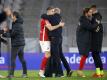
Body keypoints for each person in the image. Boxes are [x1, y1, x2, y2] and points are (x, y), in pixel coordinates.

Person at [43, 7, 73, 77]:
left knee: (56, 56)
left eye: (53, 11)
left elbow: (43, 16)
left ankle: (59, 73)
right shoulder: (60, 18)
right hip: (59, 38)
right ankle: (68, 70)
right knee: (60, 55)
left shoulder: (53, 17)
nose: (52, 12)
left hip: (54, 39)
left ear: (54, 12)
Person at [39, 7, 64, 77]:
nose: (53, 13)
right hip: (44, 39)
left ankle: (46, 72)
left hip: (47, 39)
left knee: (49, 55)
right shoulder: (45, 20)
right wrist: (59, 25)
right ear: (49, 11)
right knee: (47, 55)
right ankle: (41, 71)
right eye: (52, 11)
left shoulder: (48, 19)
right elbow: (50, 28)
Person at [76, 8, 100, 77]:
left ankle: (79, 71)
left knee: (85, 55)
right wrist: (97, 23)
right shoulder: (83, 19)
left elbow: (91, 28)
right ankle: (79, 71)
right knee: (84, 55)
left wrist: (96, 27)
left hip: (86, 40)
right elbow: (90, 27)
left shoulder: (86, 19)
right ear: (86, 13)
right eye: (90, 12)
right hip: (83, 40)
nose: (91, 13)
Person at [3, 12, 27, 78]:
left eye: (12, 16)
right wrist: (8, 30)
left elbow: (13, 34)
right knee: (22, 59)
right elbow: (13, 31)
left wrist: (3, 34)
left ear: (15, 16)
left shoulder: (17, 25)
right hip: (21, 44)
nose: (11, 17)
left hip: (16, 44)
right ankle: (25, 74)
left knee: (13, 59)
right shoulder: (16, 23)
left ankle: (11, 74)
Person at [90, 5, 104, 78]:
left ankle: (98, 73)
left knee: (95, 55)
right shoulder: (96, 17)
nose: (90, 11)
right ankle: (100, 73)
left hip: (96, 40)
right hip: (96, 40)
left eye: (91, 10)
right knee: (96, 55)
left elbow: (95, 28)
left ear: (93, 9)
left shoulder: (97, 17)